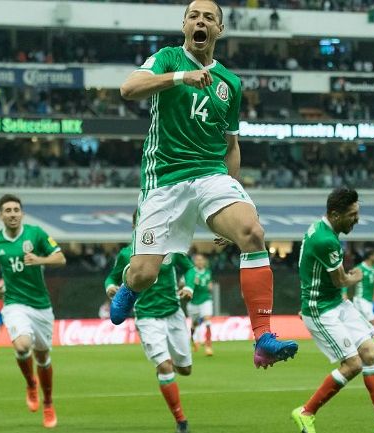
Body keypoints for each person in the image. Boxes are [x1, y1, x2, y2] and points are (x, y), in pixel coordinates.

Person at [111, 0, 297, 369]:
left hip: (211, 174)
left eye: (209, 17)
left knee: (252, 232)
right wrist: (181, 78)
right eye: (194, 16)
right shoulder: (167, 58)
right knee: (146, 274)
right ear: (184, 25)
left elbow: (231, 144)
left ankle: (263, 338)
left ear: (219, 30)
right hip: (164, 180)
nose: (201, 21)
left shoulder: (231, 83)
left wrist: (232, 197)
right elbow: (128, 89)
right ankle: (129, 286)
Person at [291, 187, 374, 433]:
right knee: (353, 364)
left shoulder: (321, 229)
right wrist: (357, 276)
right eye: (353, 214)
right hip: (320, 308)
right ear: (335, 214)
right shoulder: (327, 241)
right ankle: (305, 412)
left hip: (334, 303)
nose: (357, 219)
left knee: (370, 352)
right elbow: (341, 281)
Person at [105, 210, 195, 433]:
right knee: (165, 367)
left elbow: (190, 268)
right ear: (135, 226)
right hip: (146, 317)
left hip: (173, 313)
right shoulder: (128, 254)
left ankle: (165, 366)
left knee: (185, 369)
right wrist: (110, 287)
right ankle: (181, 420)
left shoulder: (171, 249)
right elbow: (112, 276)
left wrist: (189, 286)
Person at [0, 194, 66, 429]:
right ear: (0, 216)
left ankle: (48, 402)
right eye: (7, 210)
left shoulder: (36, 234)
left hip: (41, 305)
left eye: (16, 210)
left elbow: (60, 258)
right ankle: (31, 383)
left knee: (42, 357)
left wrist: (40, 260)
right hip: (14, 303)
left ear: (22, 213)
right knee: (21, 345)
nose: (12, 214)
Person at [184, 253, 215, 356]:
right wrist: (190, 284)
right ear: (194, 262)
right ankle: (193, 340)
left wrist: (210, 286)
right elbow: (183, 284)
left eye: (202, 260)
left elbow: (209, 283)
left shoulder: (207, 272)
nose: (200, 262)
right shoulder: (191, 273)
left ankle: (208, 345)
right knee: (194, 324)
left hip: (205, 299)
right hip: (193, 302)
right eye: (198, 260)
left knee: (207, 319)